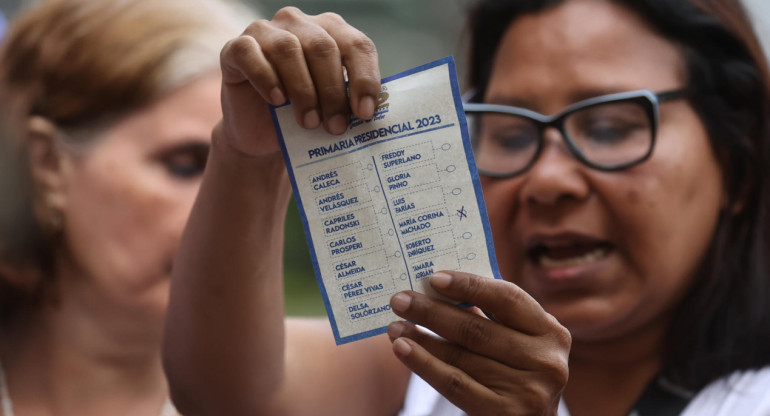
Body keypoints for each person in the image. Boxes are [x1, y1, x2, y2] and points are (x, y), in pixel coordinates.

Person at [162, 0, 770, 415]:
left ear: (738, 165)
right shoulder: (425, 366)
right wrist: (247, 156)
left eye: (610, 127)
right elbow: (229, 394)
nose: (548, 179)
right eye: (509, 133)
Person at [0, 0, 253, 414]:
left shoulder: (295, 395)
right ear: (49, 163)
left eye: (252, 177)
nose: (230, 213)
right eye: (184, 165)